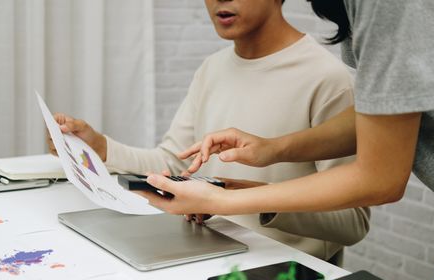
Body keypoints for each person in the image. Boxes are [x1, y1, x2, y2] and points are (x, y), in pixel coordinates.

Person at [142, 0, 434, 280]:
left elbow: (379, 179)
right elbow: (385, 107)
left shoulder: (383, 18)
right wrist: (274, 149)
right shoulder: (212, 69)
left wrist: (229, 200)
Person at [47, 0, 370, 263]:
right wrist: (101, 148)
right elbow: (174, 164)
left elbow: (353, 222)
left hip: (281, 278)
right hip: (205, 255)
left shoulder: (329, 80)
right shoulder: (212, 69)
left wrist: (248, 201)